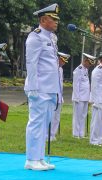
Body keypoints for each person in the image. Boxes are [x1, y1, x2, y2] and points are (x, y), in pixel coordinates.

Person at [24, 3, 60, 171]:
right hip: (39, 88)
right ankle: (31, 159)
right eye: (53, 19)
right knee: (36, 123)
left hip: (51, 88)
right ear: (44, 19)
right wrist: (32, 88)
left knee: (45, 124)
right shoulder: (35, 37)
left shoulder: (52, 38)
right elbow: (31, 63)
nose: (56, 22)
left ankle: (39, 157)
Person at [72, 53, 96, 138]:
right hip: (79, 98)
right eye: (89, 63)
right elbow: (76, 85)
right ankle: (76, 134)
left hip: (85, 97)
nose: (90, 65)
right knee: (77, 116)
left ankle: (81, 133)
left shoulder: (85, 70)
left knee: (83, 116)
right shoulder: (78, 70)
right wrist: (76, 97)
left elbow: (86, 85)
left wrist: (89, 98)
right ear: (85, 61)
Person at [50, 52, 70, 141]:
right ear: (58, 59)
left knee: (57, 117)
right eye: (63, 61)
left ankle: (53, 134)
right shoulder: (52, 68)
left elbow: (60, 85)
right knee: (51, 116)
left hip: (59, 96)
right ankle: (47, 134)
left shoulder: (60, 70)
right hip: (52, 96)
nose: (64, 63)